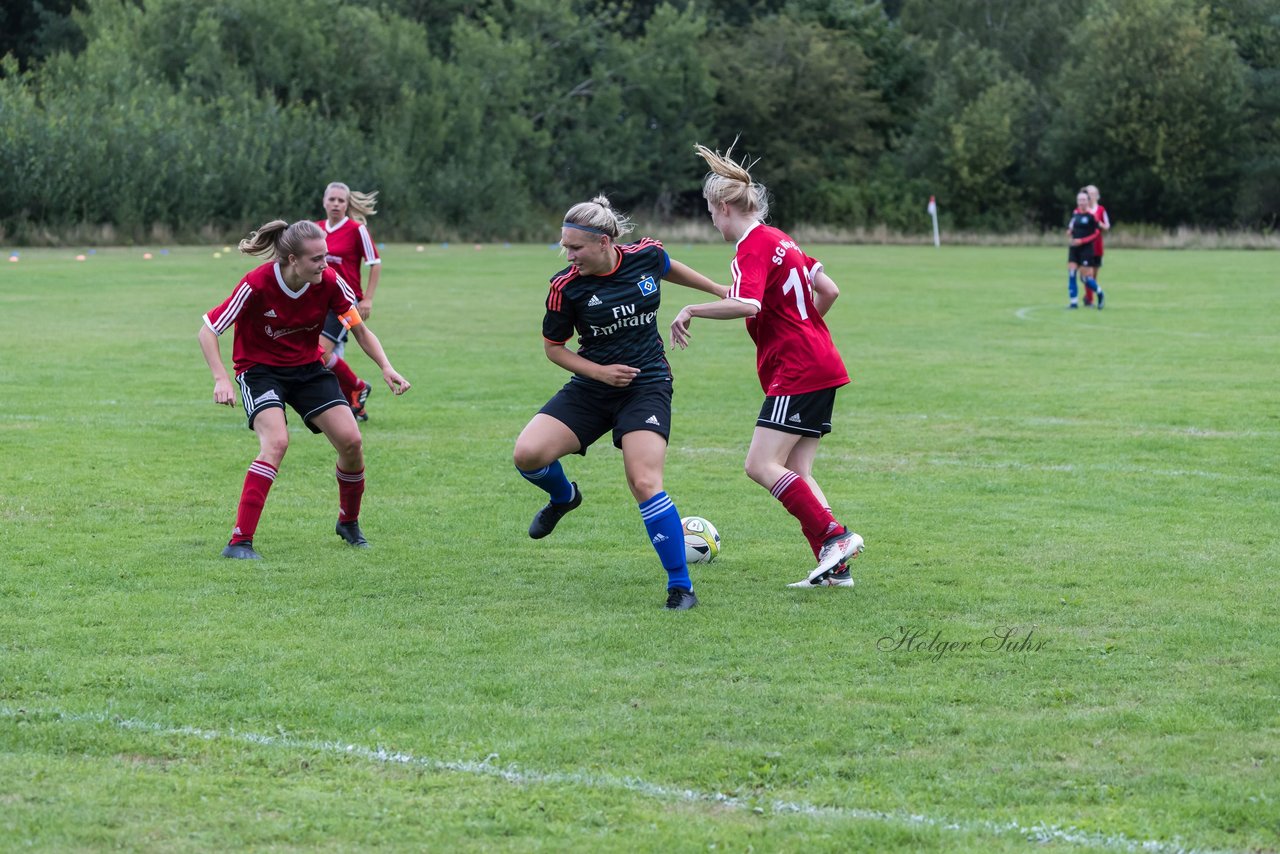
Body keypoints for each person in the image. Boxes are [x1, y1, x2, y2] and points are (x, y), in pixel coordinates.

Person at [512, 195, 728, 610]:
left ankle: (680, 586)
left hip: (646, 383)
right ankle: (563, 498)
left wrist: (718, 289)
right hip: (592, 386)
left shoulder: (646, 256)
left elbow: (668, 268)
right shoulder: (565, 286)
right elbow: (554, 348)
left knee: (644, 481)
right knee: (527, 455)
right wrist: (601, 373)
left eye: (575, 247)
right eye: (565, 246)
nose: (568, 254)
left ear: (605, 241)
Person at [670, 143, 864, 589]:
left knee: (759, 465)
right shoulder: (782, 240)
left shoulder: (751, 246)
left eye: (711, 215)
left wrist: (692, 310)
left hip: (796, 368)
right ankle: (836, 569)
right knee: (798, 471)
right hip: (821, 361)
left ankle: (836, 537)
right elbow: (829, 290)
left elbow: (749, 303)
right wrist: (801, 326)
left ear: (723, 208)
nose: (713, 224)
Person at [198, 219, 411, 560]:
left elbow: (358, 330)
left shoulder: (328, 281)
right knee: (276, 442)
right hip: (260, 372)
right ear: (293, 259)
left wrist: (386, 366)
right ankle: (239, 541)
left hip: (308, 371)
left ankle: (349, 522)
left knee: (351, 441)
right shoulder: (257, 283)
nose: (325, 264)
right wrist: (221, 378)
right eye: (317, 258)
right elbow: (208, 330)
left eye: (326, 256)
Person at [316, 182, 382, 421]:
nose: (335, 204)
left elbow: (374, 263)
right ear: (324, 201)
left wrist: (368, 299)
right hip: (317, 303)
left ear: (347, 204)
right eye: (331, 199)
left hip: (344, 301)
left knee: (319, 354)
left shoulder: (357, 230)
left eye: (340, 200)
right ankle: (355, 401)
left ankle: (357, 387)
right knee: (324, 358)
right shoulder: (316, 229)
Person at [1066, 189, 1104, 310]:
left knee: (1085, 278)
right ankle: (1073, 303)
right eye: (1079, 200)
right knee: (1071, 274)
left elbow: (1097, 233)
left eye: (1083, 199)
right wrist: (1070, 232)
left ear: (1088, 201)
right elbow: (1071, 226)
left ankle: (1100, 293)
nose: (1081, 202)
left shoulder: (1093, 216)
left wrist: (1082, 241)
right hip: (1074, 248)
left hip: (1086, 250)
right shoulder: (1075, 214)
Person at [1080, 184, 1110, 307]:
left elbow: (1107, 226)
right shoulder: (1082, 210)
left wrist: (1099, 224)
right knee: (1087, 275)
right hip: (1085, 246)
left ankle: (1088, 297)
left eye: (1093, 194)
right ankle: (1090, 300)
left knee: (1094, 276)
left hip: (1097, 246)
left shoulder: (1101, 210)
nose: (1091, 196)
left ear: (1097, 196)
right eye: (1088, 194)